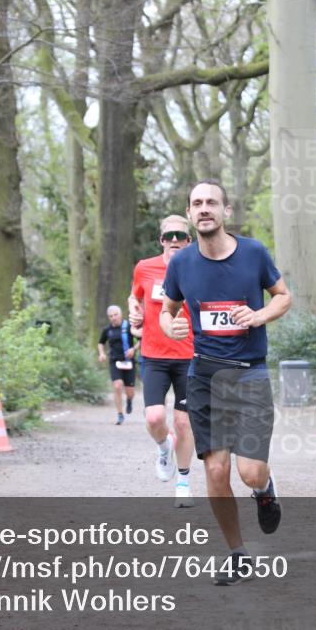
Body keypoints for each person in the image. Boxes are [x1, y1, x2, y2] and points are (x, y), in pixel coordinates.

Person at [161, 180, 292, 585]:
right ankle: (237, 554)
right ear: (190, 212)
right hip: (205, 375)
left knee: (249, 472)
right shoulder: (181, 264)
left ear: (226, 211)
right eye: (197, 203)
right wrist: (171, 327)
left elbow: (283, 296)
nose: (204, 209)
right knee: (216, 472)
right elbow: (168, 310)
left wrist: (259, 316)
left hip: (250, 374)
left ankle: (264, 489)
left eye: (211, 203)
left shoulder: (253, 253)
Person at [128, 215, 196, 507]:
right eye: (169, 236)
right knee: (155, 418)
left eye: (180, 236)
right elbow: (134, 297)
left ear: (189, 241)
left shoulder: (200, 268)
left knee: (183, 422)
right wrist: (134, 314)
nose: (175, 241)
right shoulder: (145, 267)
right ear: (161, 241)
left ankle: (183, 480)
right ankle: (163, 446)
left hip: (189, 356)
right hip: (154, 355)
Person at [97, 304, 136, 425]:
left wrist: (133, 349)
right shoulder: (107, 330)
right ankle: (120, 414)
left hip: (128, 361)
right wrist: (102, 353)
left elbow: (141, 340)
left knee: (130, 391)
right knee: (117, 385)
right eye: (110, 316)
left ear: (120, 314)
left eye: (115, 315)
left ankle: (129, 400)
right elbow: (101, 343)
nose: (113, 318)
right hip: (115, 361)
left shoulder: (128, 326)